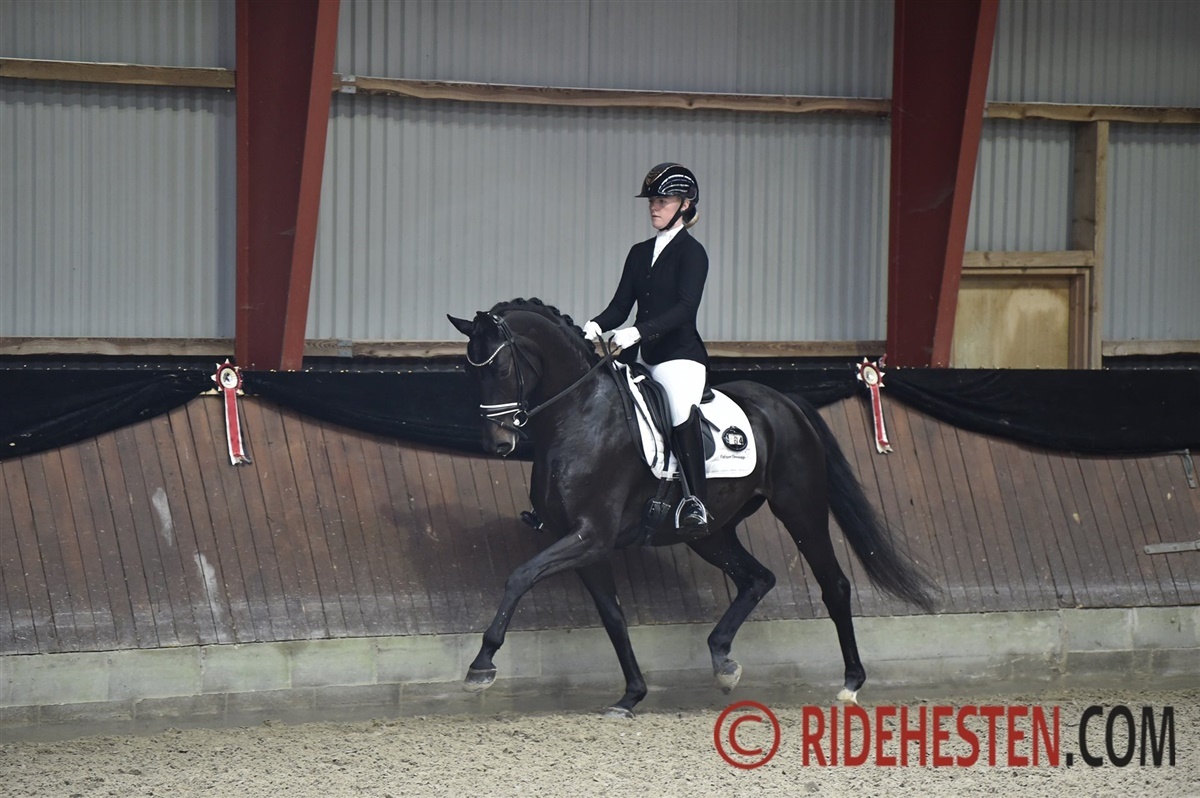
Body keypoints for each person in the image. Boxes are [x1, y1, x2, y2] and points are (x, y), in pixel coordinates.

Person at [582, 162, 711, 537]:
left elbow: (685, 308)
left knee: (679, 410)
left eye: (663, 200)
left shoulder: (692, 253)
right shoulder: (639, 253)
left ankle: (695, 501)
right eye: (652, 201)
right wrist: (594, 324)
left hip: (679, 357)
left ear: (685, 204)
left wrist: (637, 332)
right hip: (639, 356)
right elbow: (620, 306)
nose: (654, 206)